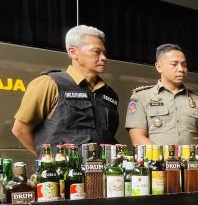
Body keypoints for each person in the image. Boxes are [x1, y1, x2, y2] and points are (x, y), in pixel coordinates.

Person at [12, 25, 119, 154]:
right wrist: (49, 161)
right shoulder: (50, 84)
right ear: (73, 52)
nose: (103, 58)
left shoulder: (110, 94)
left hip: (102, 172)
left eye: (104, 53)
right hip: (64, 173)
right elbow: (20, 130)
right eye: (96, 51)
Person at [125, 44, 198, 146]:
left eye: (184, 64)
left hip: (191, 161)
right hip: (156, 160)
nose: (181, 69)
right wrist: (166, 158)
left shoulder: (197, 100)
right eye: (174, 64)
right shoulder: (141, 97)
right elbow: (137, 138)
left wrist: (192, 158)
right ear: (159, 67)